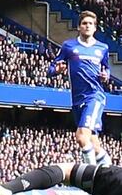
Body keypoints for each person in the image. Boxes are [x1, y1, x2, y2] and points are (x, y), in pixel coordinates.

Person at [47, 11, 112, 166]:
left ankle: (90, 176)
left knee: (81, 137)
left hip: (94, 96)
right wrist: (57, 70)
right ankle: (109, 168)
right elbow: (50, 70)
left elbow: (107, 69)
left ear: (95, 28)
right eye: (84, 23)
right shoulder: (69, 46)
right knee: (94, 145)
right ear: (79, 27)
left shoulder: (102, 48)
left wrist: (106, 76)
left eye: (90, 23)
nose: (87, 26)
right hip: (77, 100)